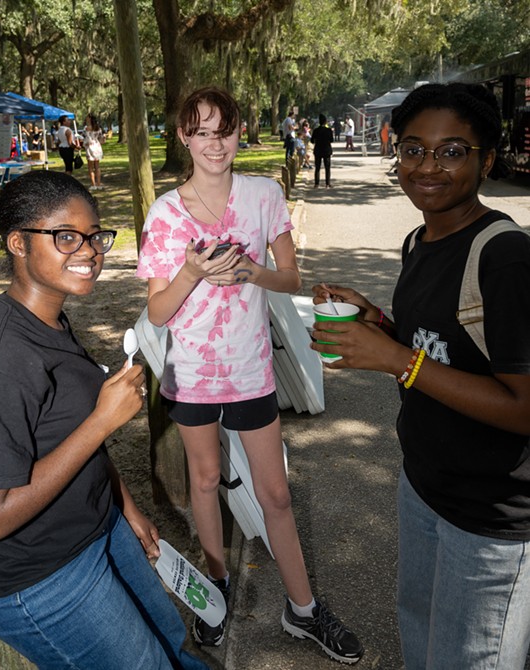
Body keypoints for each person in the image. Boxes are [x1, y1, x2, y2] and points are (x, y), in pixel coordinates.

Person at [137, 86, 363, 664]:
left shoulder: (264, 195)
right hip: (191, 377)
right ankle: (215, 590)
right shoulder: (164, 214)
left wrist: (250, 273)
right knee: (206, 481)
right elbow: (158, 313)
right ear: (184, 136)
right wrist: (190, 273)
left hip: (252, 371)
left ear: (241, 132)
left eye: (226, 130)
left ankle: (304, 609)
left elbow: (291, 279)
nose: (216, 143)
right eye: (203, 132)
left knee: (277, 494)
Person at [312, 82, 530, 670]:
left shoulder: (506, 256)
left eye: (452, 151)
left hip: (491, 522)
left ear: (487, 160)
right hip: (424, 487)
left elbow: (523, 406)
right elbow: (441, 349)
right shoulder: (419, 240)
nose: (428, 166)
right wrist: (376, 323)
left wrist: (394, 360)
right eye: (413, 149)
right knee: (423, 644)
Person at [0, 170, 208, 670]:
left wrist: (123, 507)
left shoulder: (50, 318)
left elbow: (61, 436)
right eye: (66, 237)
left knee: (171, 639)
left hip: (97, 528)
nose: (90, 251)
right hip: (38, 579)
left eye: (95, 237)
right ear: (17, 243)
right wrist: (102, 422)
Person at [310, 113, 334, 188]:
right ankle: (327, 183)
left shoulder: (316, 130)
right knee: (327, 167)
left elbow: (312, 141)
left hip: (318, 150)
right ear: (325, 122)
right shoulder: (329, 130)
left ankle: (316, 183)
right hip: (326, 150)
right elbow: (331, 140)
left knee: (317, 167)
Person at [83, 113, 105, 190]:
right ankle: (98, 184)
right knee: (97, 166)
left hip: (90, 147)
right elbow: (102, 139)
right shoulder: (98, 128)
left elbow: (84, 138)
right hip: (97, 146)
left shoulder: (86, 128)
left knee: (90, 167)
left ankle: (93, 184)